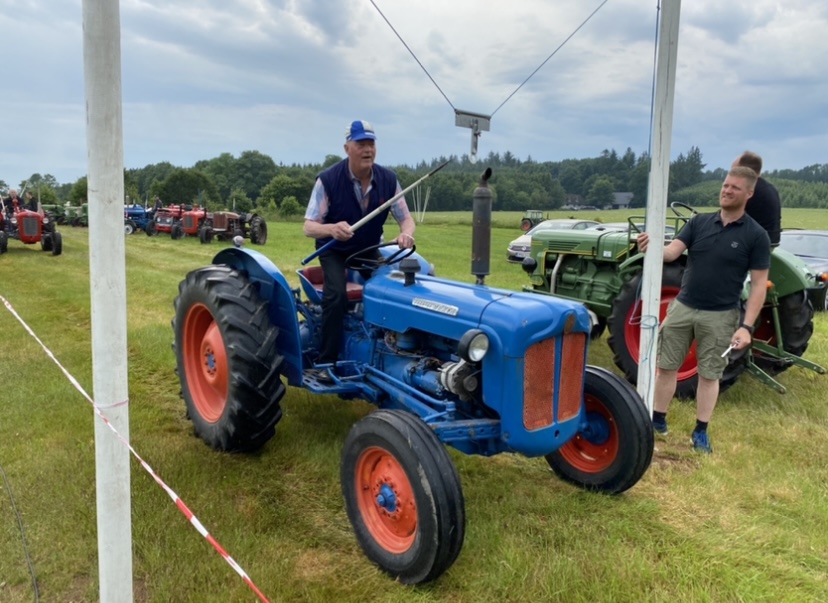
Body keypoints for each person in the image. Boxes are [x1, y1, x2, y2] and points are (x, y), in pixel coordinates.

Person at [638, 166, 770, 454]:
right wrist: (651, 247)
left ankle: (700, 431)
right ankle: (658, 421)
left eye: (735, 187)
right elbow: (672, 253)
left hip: (721, 316)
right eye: (725, 185)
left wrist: (746, 327)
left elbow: (759, 285)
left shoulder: (755, 235)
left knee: (710, 375)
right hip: (683, 307)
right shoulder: (699, 223)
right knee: (667, 366)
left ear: (749, 193)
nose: (727, 190)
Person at [303, 119, 415, 382]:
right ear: (347, 148)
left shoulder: (388, 180)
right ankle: (327, 362)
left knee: (393, 291)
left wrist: (406, 234)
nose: (368, 150)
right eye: (361, 144)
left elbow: (406, 219)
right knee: (335, 297)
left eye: (371, 144)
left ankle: (389, 352)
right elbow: (308, 227)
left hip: (368, 248)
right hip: (335, 250)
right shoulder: (328, 180)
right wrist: (331, 229)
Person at [734, 150, 781, 246]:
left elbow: (729, 217)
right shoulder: (771, 188)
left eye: (733, 170)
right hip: (771, 241)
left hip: (753, 244)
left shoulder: (747, 189)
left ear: (743, 170)